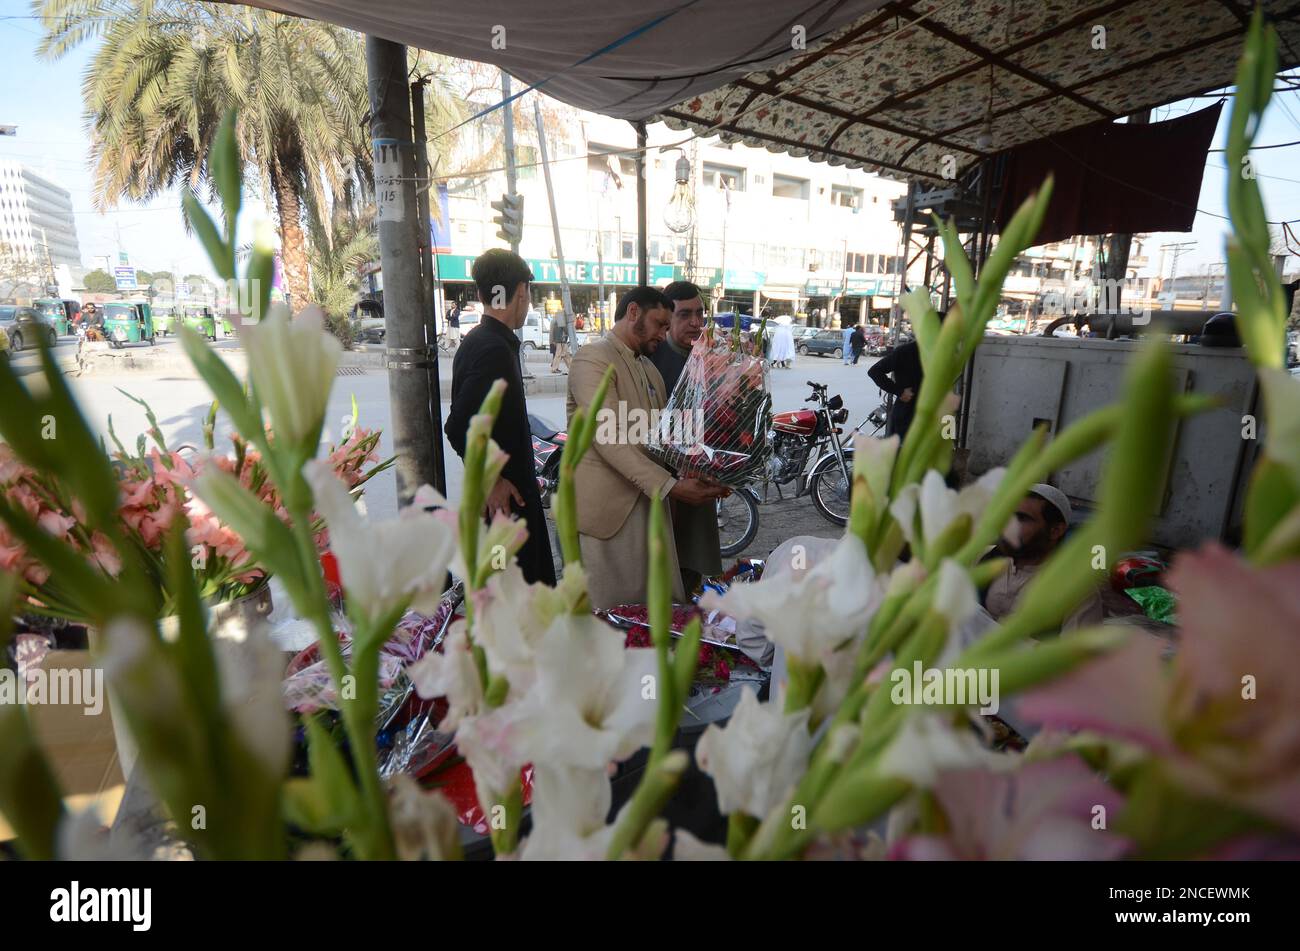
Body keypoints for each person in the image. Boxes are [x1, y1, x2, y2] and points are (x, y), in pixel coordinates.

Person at [568, 285, 727, 609]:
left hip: (651, 510)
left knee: (652, 616)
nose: (663, 333)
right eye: (659, 324)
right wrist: (671, 487)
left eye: (667, 326)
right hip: (609, 518)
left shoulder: (648, 368)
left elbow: (667, 436)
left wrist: (717, 461)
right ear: (633, 313)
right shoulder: (593, 358)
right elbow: (609, 437)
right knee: (610, 622)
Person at [445, 249, 555, 586]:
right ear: (522, 292)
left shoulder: (484, 341)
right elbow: (459, 425)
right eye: (529, 294)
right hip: (506, 511)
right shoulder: (492, 349)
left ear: (481, 295)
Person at [651, 281, 722, 595]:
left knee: (692, 567)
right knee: (662, 572)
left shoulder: (711, 359)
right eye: (685, 315)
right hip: (663, 487)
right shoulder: (652, 362)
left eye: (700, 313)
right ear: (667, 318)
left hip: (700, 484)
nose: (696, 322)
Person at [983, 485, 1105, 631]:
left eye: (1022, 518)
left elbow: (1078, 651)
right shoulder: (986, 558)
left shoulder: (1078, 590)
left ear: (1055, 531)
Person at [867, 333, 922, 440]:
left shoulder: (943, 354)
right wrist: (900, 391)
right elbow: (874, 371)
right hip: (907, 416)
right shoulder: (907, 351)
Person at [549, 307, 571, 373]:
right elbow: (565, 329)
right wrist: (569, 332)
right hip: (561, 340)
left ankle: (571, 368)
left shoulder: (558, 318)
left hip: (560, 340)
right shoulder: (561, 319)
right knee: (560, 354)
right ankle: (554, 368)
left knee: (565, 355)